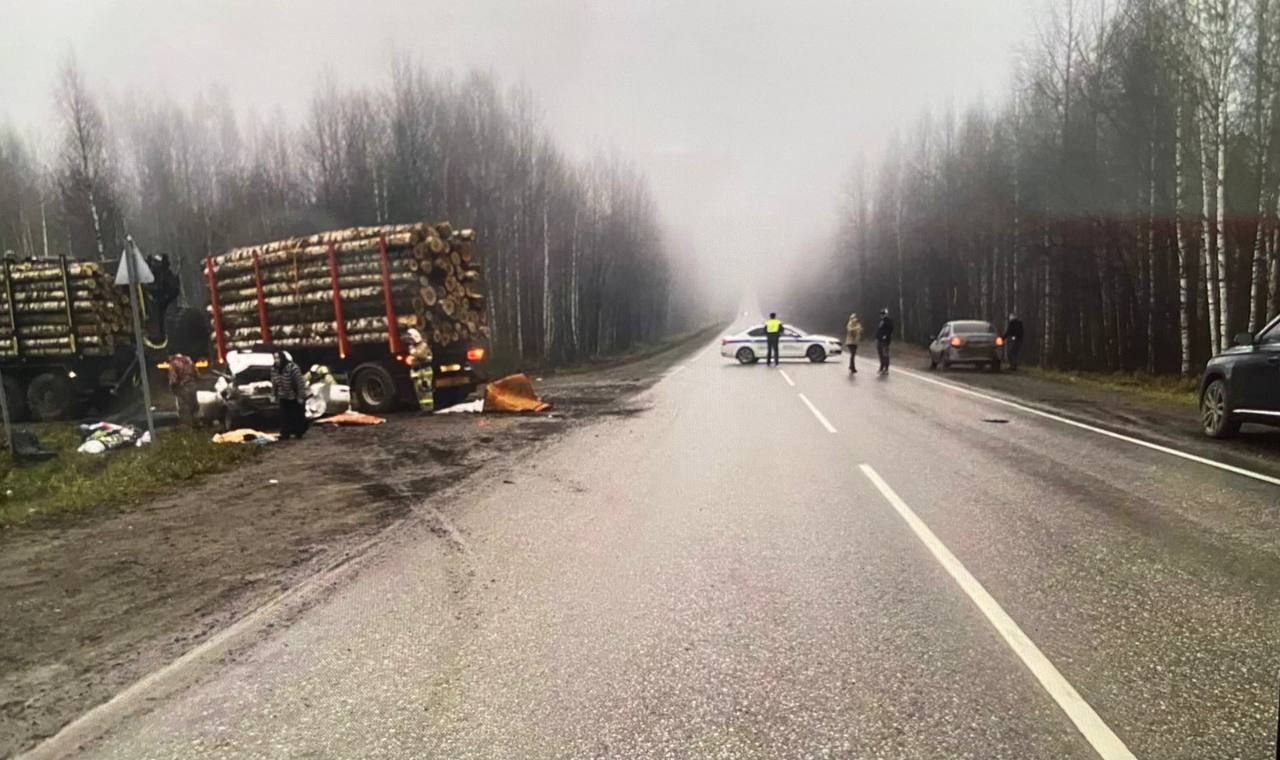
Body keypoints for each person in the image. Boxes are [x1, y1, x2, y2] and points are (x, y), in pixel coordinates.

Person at [271, 349, 308, 440]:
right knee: (284, 417)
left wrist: (300, 397)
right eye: (275, 358)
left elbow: (300, 383)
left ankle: (298, 433)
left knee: (296, 416)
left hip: (294, 396)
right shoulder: (274, 370)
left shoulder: (292, 368)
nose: (276, 360)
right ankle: (285, 434)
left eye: (278, 358)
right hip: (283, 396)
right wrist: (274, 395)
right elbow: (274, 384)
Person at [406, 328, 435, 412]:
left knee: (426, 391)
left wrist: (412, 350)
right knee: (419, 392)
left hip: (425, 371)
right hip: (417, 371)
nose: (410, 341)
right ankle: (424, 409)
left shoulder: (423, 345)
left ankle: (429, 409)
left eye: (410, 338)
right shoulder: (413, 347)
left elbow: (420, 354)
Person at [166, 352, 198, 427]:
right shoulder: (189, 360)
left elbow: (173, 379)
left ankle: (186, 425)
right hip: (192, 385)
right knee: (193, 405)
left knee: (183, 406)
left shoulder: (174, 363)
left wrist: (172, 388)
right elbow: (196, 373)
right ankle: (196, 423)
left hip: (182, 387)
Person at [875, 308, 894, 374]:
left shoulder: (889, 321)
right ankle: (881, 367)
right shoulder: (881, 321)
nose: (882, 315)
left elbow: (890, 330)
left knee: (885, 355)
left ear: (886, 314)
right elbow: (879, 330)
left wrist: (885, 336)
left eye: (883, 314)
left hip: (885, 341)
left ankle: (886, 368)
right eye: (881, 314)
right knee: (880, 355)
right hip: (879, 340)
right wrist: (877, 336)